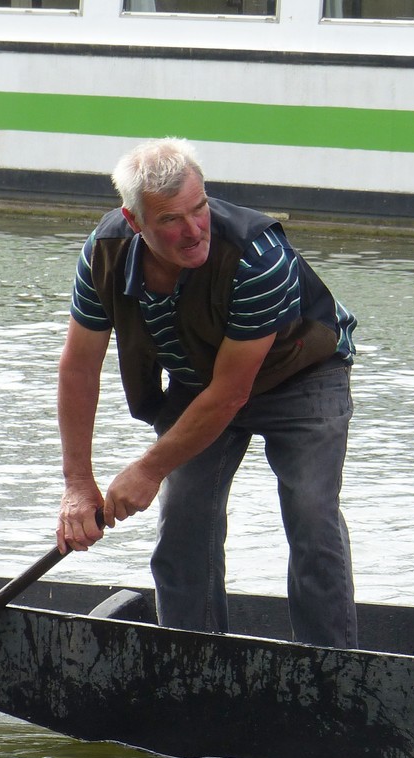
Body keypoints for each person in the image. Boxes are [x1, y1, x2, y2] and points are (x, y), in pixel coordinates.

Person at [56, 138, 358, 649]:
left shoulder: (258, 257)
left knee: (310, 511)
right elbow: (79, 368)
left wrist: (147, 468)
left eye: (200, 209)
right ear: (135, 223)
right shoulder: (103, 253)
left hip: (301, 375)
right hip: (199, 380)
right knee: (183, 518)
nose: (195, 230)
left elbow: (230, 395)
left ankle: (330, 666)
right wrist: (79, 484)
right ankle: (192, 659)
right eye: (172, 220)